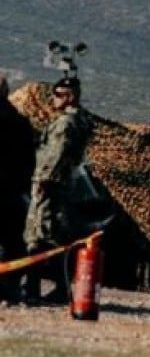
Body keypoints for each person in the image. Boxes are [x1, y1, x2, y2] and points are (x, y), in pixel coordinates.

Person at [23, 76, 92, 304]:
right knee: (54, 235)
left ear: (69, 96)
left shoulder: (66, 123)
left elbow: (57, 153)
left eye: (57, 94)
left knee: (38, 236)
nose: (53, 99)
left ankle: (34, 288)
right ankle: (59, 286)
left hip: (50, 184)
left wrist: (43, 180)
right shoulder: (81, 120)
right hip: (64, 184)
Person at [0, 77, 36, 304]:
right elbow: (29, 159)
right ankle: (10, 287)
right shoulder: (21, 122)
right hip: (13, 190)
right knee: (12, 239)